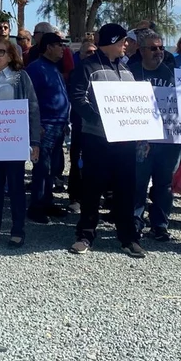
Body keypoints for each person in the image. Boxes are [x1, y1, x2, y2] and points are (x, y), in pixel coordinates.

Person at [68, 22, 144, 257]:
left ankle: (128, 237)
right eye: (123, 41)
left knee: (126, 189)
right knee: (92, 189)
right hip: (97, 139)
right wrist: (100, 120)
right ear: (112, 42)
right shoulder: (87, 67)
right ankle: (86, 234)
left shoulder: (128, 70)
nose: (126, 45)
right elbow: (78, 98)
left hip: (126, 141)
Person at [0, 39, 41, 248]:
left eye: (1, 52)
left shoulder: (20, 77)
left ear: (12, 55)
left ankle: (17, 229)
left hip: (13, 142)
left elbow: (32, 108)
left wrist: (35, 141)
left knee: (15, 188)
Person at [127, 29, 180, 242]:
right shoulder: (129, 73)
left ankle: (160, 224)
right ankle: (135, 221)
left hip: (168, 140)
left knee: (165, 185)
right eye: (153, 48)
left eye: (161, 48)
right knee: (138, 183)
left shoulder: (172, 74)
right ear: (141, 50)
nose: (159, 52)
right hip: (139, 140)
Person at [26, 32, 71, 223]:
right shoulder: (36, 69)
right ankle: (36, 207)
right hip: (45, 125)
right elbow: (29, 98)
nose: (63, 49)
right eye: (59, 45)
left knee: (53, 168)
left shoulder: (54, 67)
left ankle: (47, 202)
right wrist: (35, 126)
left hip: (59, 124)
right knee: (42, 168)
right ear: (48, 47)